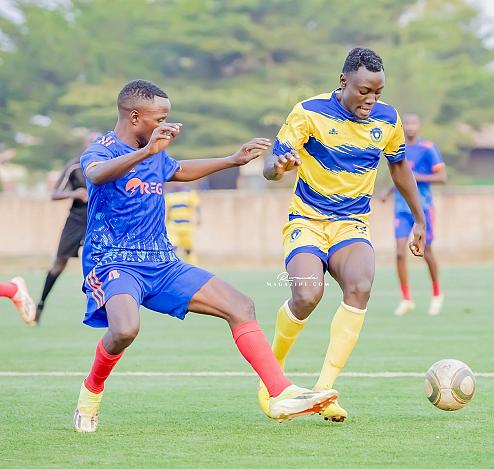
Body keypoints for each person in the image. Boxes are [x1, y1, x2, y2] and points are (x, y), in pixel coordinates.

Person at [73, 79, 337, 433]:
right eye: (159, 118)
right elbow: (95, 175)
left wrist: (233, 160)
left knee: (240, 305)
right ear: (135, 117)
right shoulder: (103, 149)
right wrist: (147, 152)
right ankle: (90, 394)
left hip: (161, 262)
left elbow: (179, 170)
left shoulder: (153, 149)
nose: (166, 124)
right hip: (113, 262)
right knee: (124, 330)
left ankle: (280, 394)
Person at [261, 48, 426, 422]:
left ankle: (323, 392)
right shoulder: (309, 112)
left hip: (351, 224)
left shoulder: (388, 119)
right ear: (343, 81)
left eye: (378, 93)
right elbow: (270, 166)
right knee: (307, 294)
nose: (371, 100)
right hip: (307, 221)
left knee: (360, 287)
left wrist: (420, 219)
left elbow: (400, 167)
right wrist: (280, 167)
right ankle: (271, 378)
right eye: (364, 91)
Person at [381, 113, 447, 317]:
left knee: (426, 252)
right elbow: (398, 175)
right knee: (400, 253)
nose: (410, 127)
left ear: (419, 126)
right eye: (406, 124)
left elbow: (442, 177)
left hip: (423, 208)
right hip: (401, 208)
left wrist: (416, 177)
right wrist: (388, 191)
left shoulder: (427, 148)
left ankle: (437, 294)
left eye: (413, 123)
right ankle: (406, 299)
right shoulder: (398, 148)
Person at [36, 132, 100, 323]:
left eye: (98, 141)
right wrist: (75, 193)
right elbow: (55, 193)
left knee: (100, 262)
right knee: (60, 262)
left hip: (99, 219)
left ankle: (99, 309)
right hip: (76, 219)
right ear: (85, 144)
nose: (95, 145)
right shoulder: (74, 165)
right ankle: (41, 304)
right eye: (91, 142)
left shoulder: (108, 164)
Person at [165, 182, 201, 265]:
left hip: (186, 225)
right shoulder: (169, 194)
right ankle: (171, 265)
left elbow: (197, 206)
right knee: (173, 246)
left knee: (188, 249)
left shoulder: (190, 193)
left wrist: (199, 218)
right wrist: (166, 221)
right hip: (173, 225)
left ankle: (192, 267)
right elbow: (167, 210)